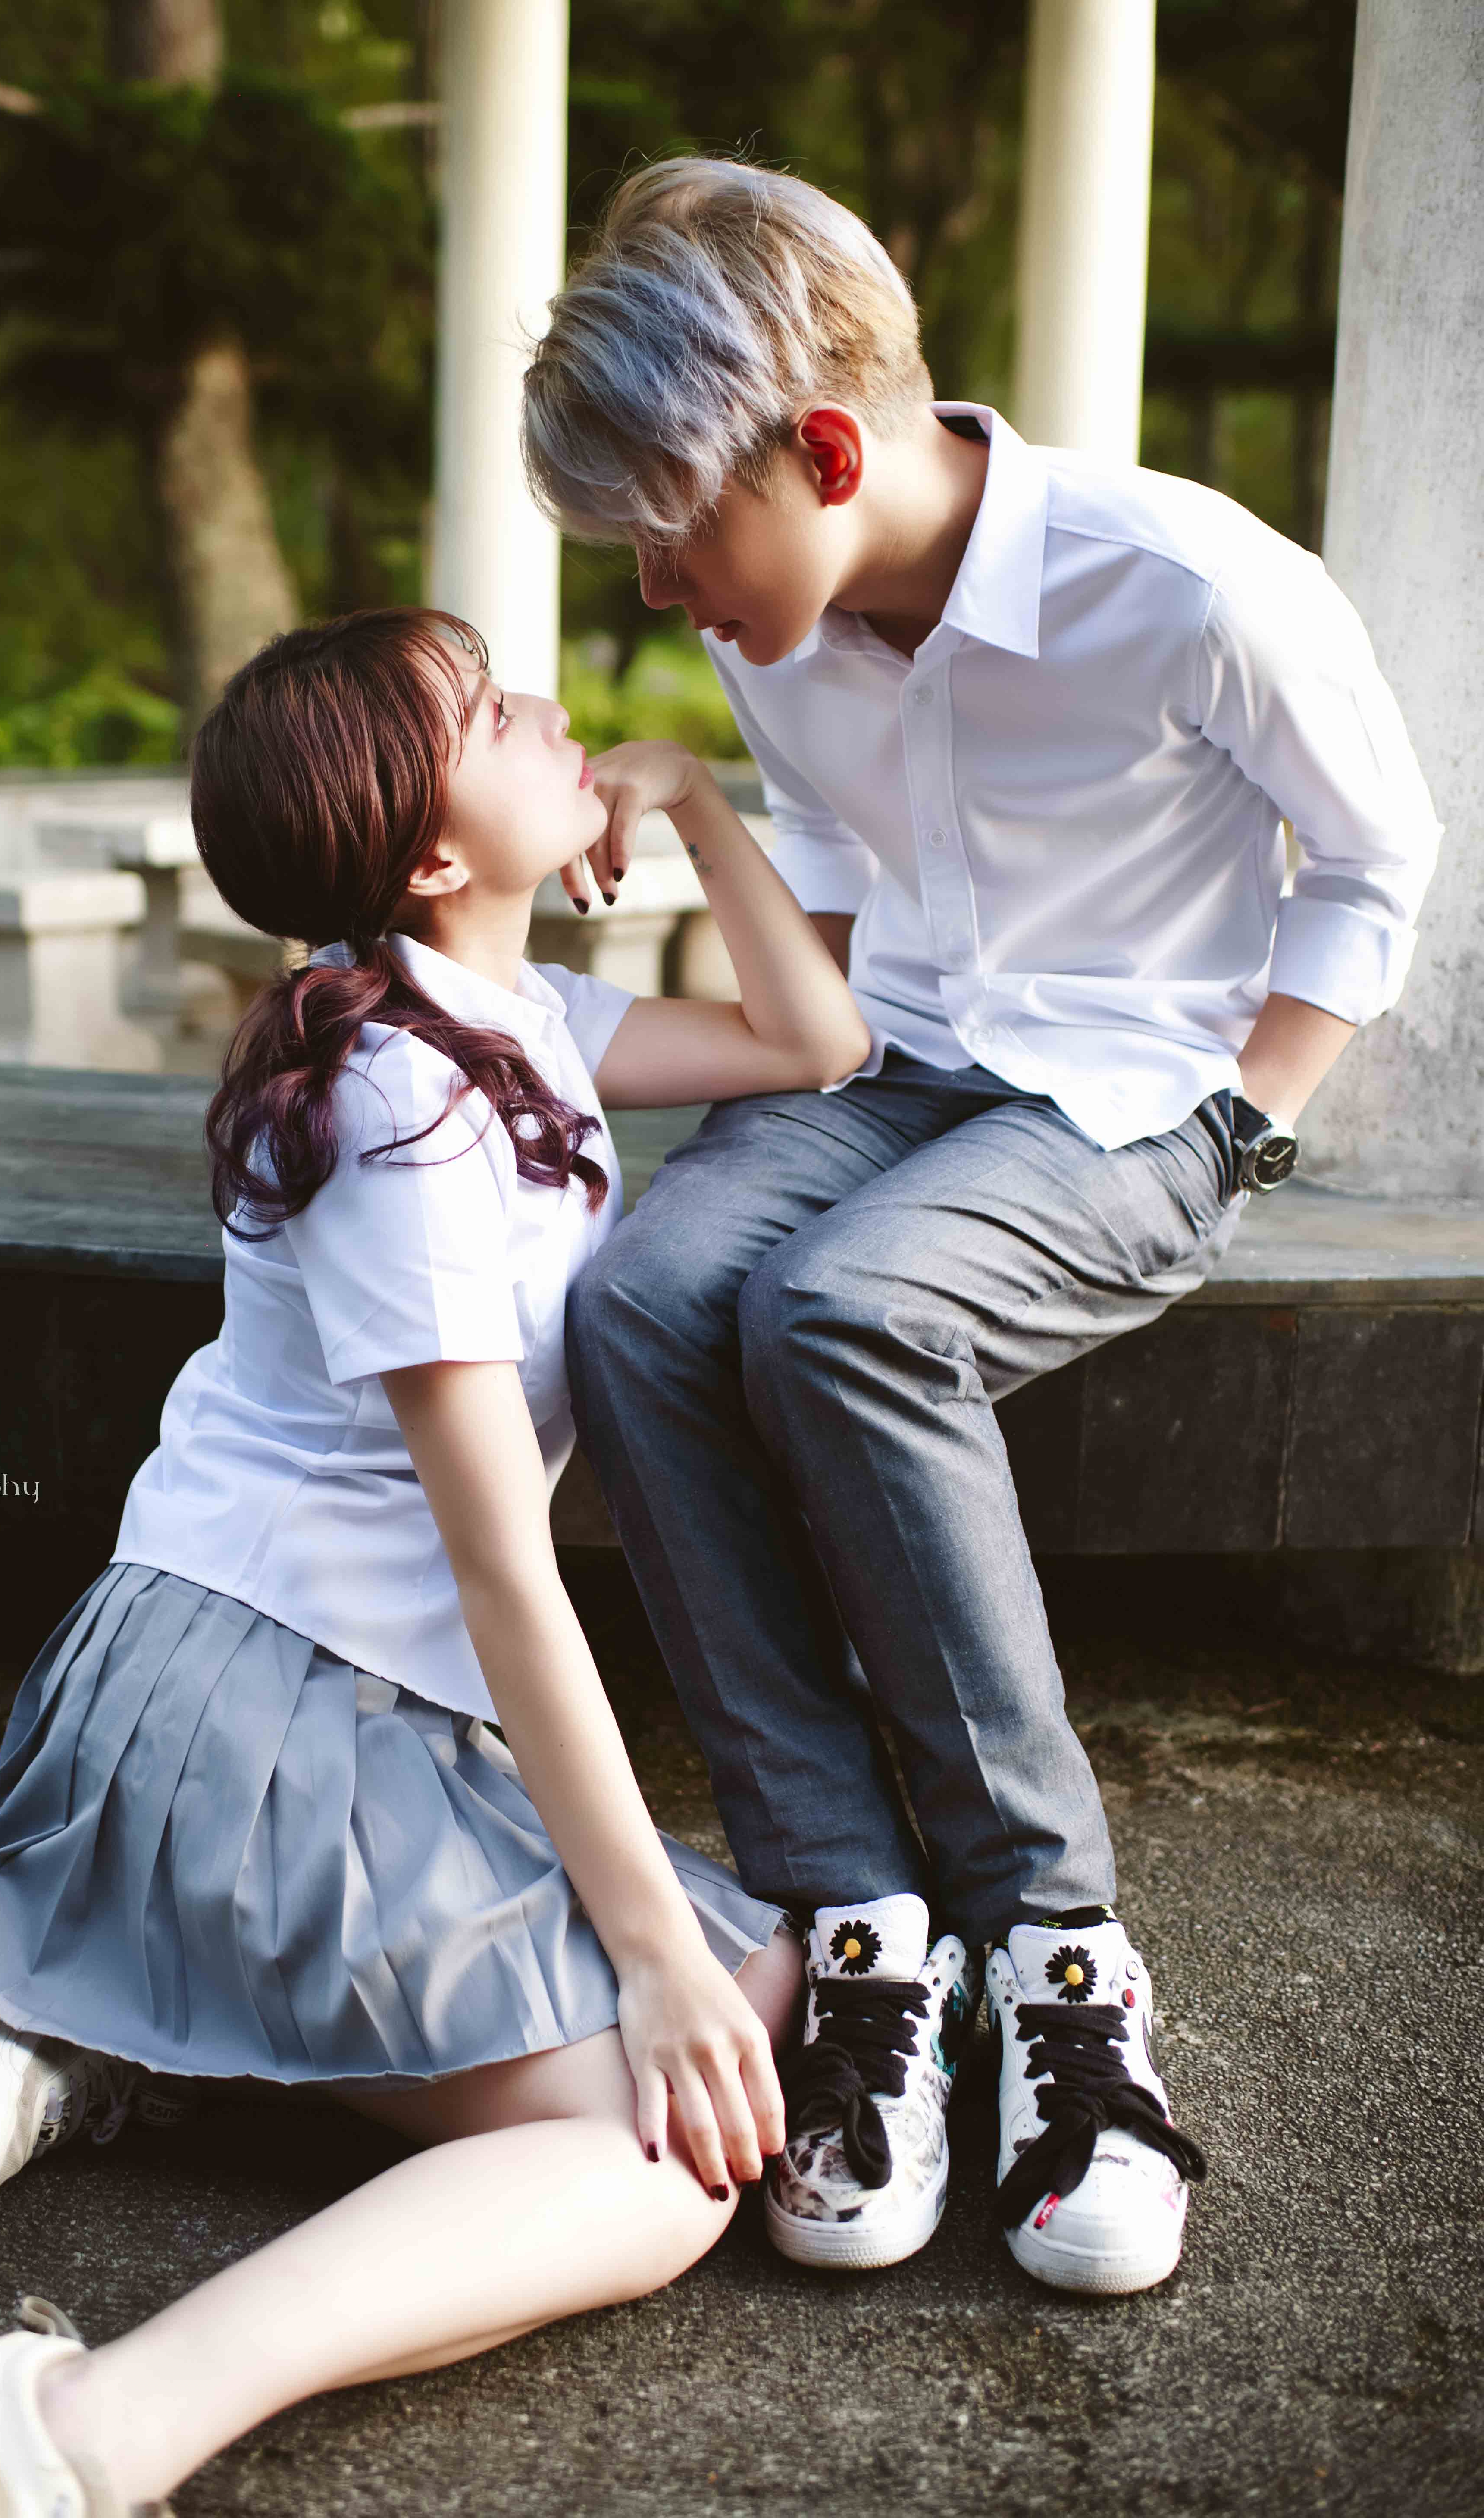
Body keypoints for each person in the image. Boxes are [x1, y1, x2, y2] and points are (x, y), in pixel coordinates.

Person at [0, 606, 871, 2518]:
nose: (551, 709)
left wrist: (704, 804)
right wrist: (642, 1950)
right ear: (434, 856)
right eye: (493, 710)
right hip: (262, 1695)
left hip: (314, 1682)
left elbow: (818, 1039)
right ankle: (50, 2426)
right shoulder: (402, 1099)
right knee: (667, 2146)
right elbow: (502, 1569)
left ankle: (105, 2039)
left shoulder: (519, 1023)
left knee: (761, 1984)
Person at [520, 154, 1442, 2297]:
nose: (656, 586)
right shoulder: (784, 629)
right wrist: (776, 1021)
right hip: (892, 1073)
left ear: (826, 455)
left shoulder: (1188, 584)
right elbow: (847, 885)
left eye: (670, 531)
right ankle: (861, 1924)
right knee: (646, 1293)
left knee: (844, 1311)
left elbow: (1374, 860)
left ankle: (1058, 1959)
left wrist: (1250, 1116)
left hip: (1136, 1099)